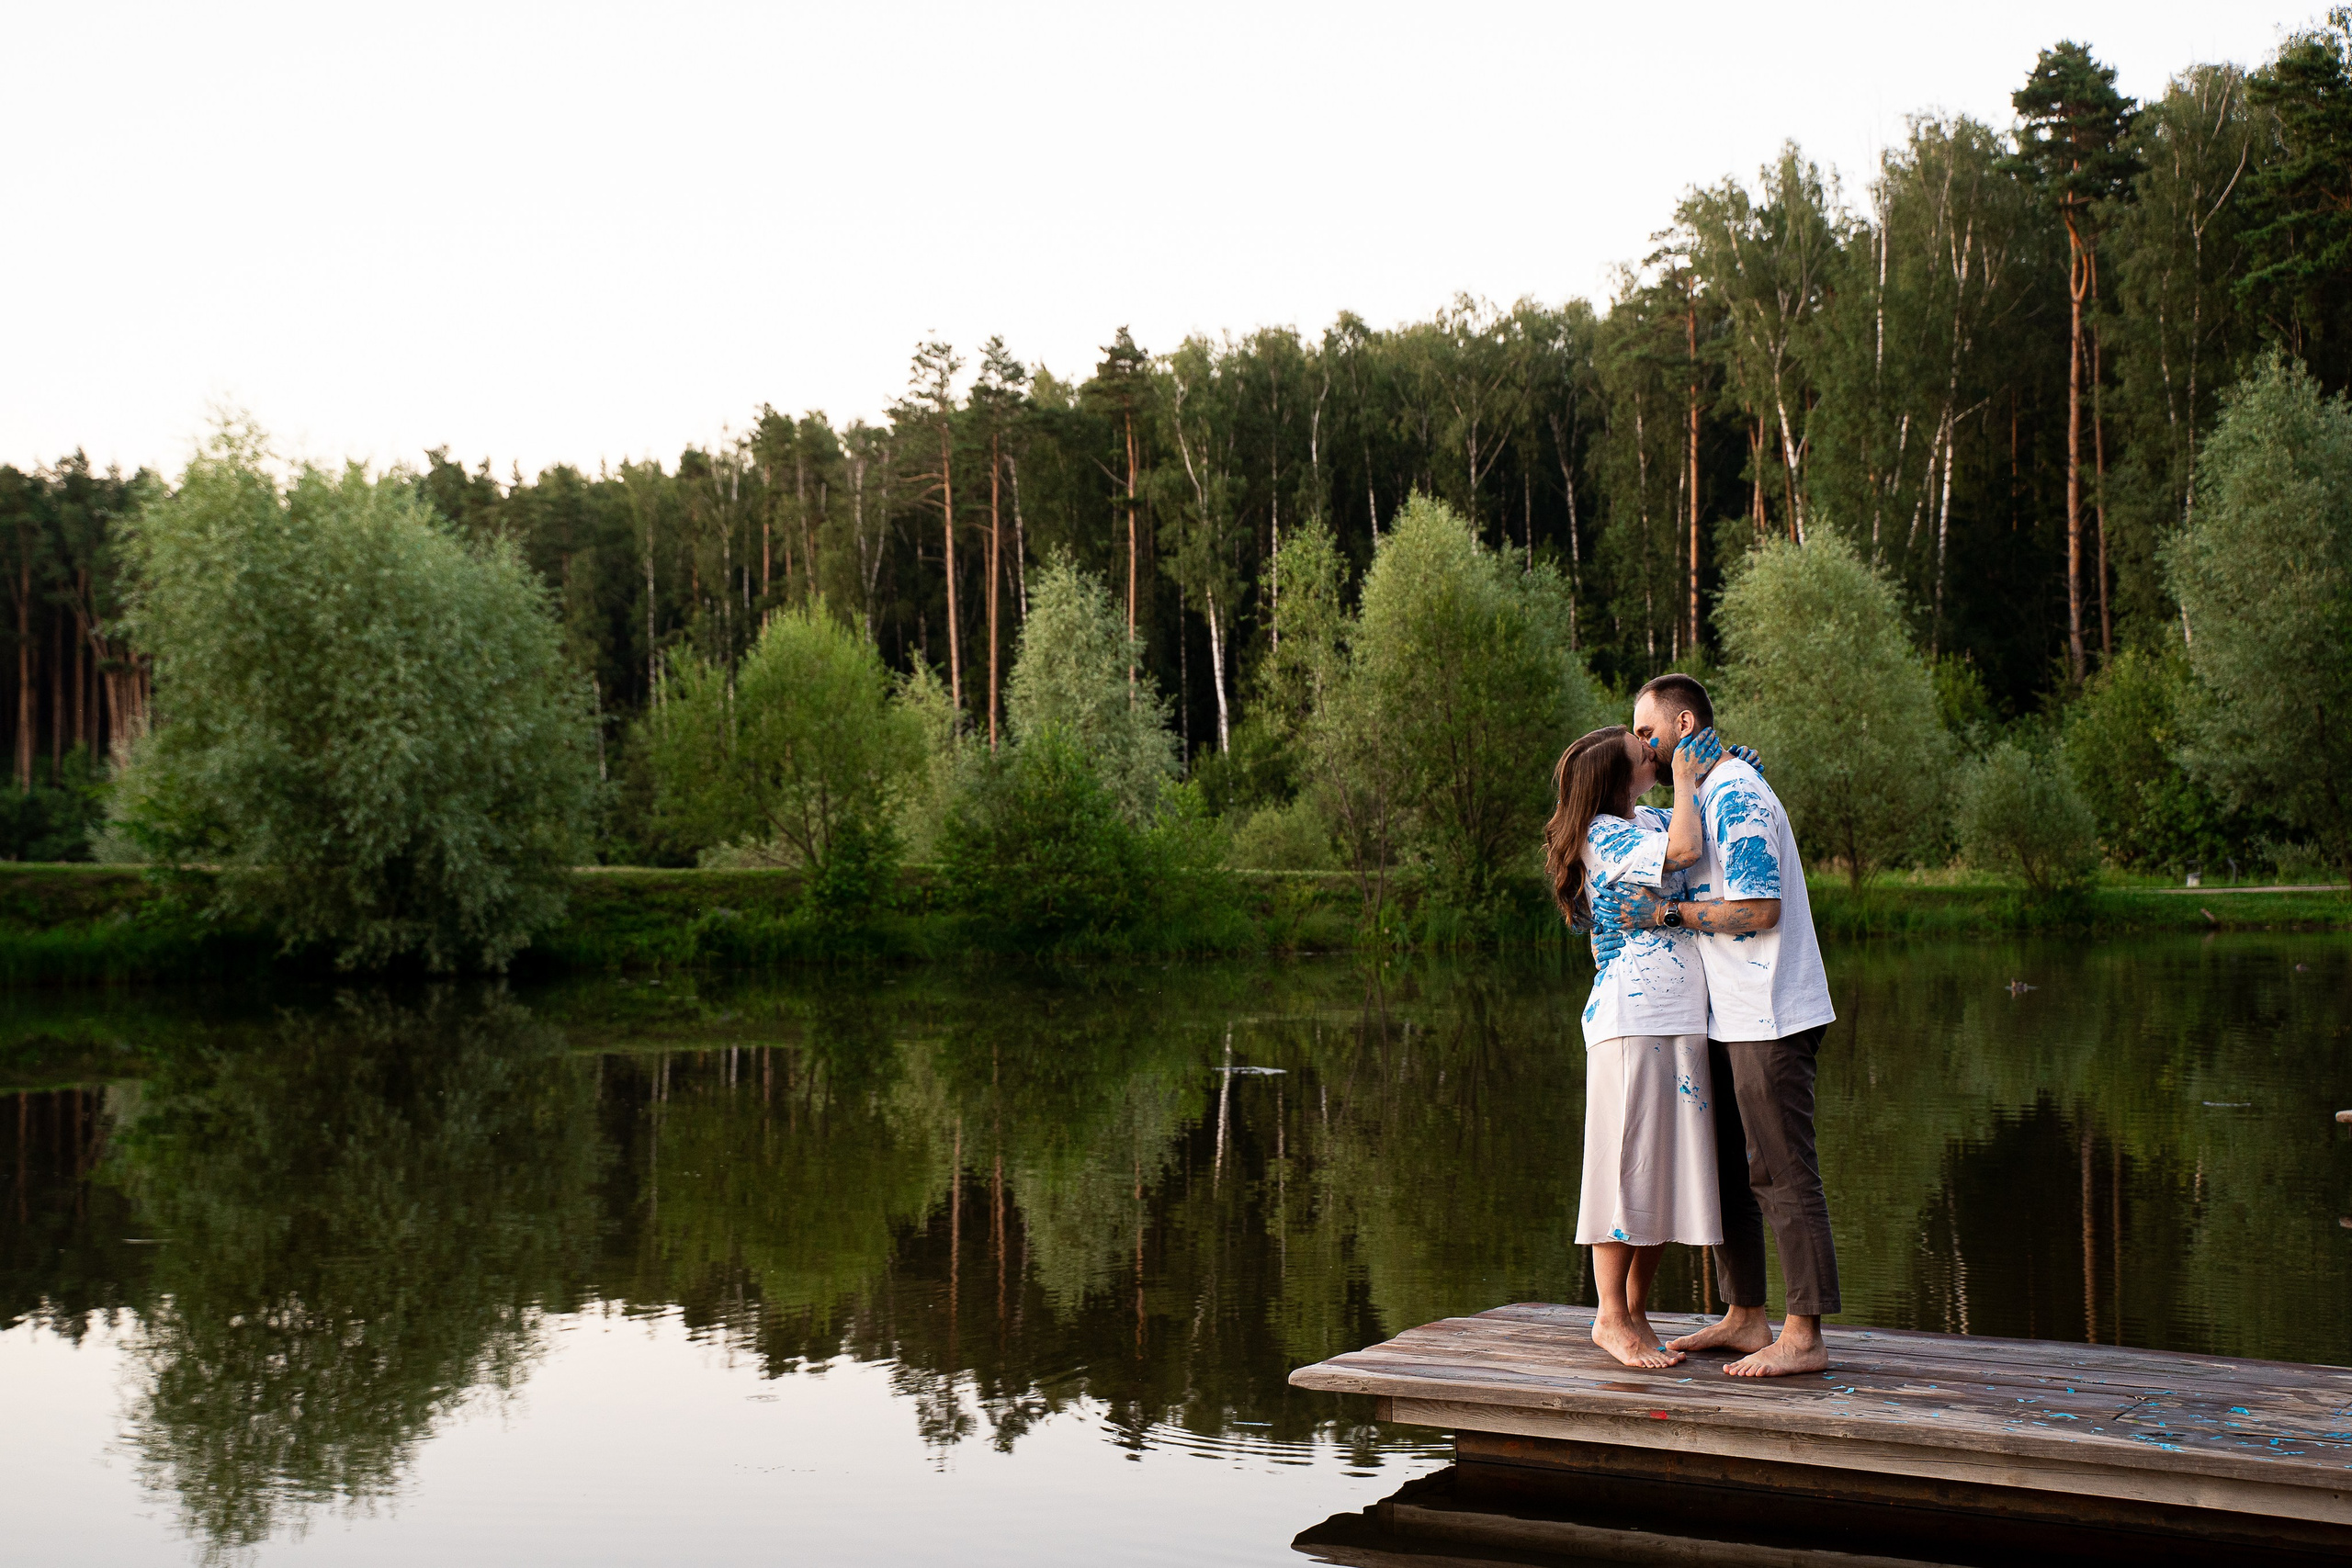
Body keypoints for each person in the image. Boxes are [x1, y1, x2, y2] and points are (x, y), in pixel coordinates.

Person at [1598, 672, 1839, 1379]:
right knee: (1736, 1172)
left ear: (1680, 723)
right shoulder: (1704, 795)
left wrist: (1666, 915)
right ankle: (1745, 1313)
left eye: (1647, 732)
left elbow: (1761, 909)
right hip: (1728, 1016)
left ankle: (1804, 1331)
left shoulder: (1735, 792)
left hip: (1773, 1010)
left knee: (1786, 1174)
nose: (1643, 746)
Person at [1544, 721, 1727, 1370]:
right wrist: (1682, 777)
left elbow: (1693, 828)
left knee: (1664, 1171)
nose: (1652, 752)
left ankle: (1638, 1308)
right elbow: (1682, 851)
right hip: (1632, 1016)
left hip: (1680, 1015)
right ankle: (1609, 1316)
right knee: (1626, 1169)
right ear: (1617, 778)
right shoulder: (1603, 835)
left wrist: (1722, 772)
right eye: (1639, 752)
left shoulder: (1644, 819)